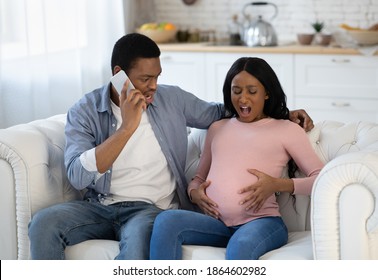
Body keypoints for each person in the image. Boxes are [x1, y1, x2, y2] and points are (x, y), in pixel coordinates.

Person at [28, 34, 313, 260]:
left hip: (149, 209)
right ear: (119, 74)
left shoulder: (170, 99)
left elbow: (227, 112)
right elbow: (77, 174)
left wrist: (280, 112)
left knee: (140, 242)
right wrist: (127, 128)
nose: (154, 86)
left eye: (157, 76)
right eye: (145, 79)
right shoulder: (85, 111)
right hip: (99, 206)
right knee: (43, 224)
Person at [149, 57, 324, 260]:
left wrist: (277, 184)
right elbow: (198, 179)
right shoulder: (217, 128)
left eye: (252, 91)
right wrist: (194, 194)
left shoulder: (287, 129)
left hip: (262, 222)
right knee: (166, 221)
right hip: (217, 224)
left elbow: (322, 178)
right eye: (236, 90)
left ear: (267, 93)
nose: (243, 99)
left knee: (240, 248)